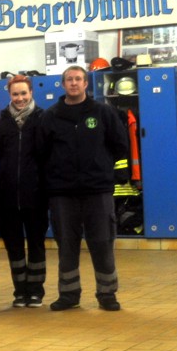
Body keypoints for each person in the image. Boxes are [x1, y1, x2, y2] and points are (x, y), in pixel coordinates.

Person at [37, 66, 129, 312]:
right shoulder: (50, 116)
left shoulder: (103, 113)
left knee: (102, 242)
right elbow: (41, 155)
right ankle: (68, 295)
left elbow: (121, 146)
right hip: (62, 194)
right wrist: (50, 184)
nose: (74, 83)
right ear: (63, 84)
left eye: (78, 79)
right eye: (69, 79)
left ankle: (107, 294)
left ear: (86, 83)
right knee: (66, 244)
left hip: (97, 191)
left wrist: (116, 174)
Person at [0, 74, 48, 308]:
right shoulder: (2, 121)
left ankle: (35, 291)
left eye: (24, 93)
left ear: (31, 92)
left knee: (36, 243)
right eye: (15, 94)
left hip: (35, 194)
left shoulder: (43, 119)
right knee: (13, 245)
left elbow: (47, 154)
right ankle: (20, 291)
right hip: (7, 196)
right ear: (9, 94)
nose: (20, 98)